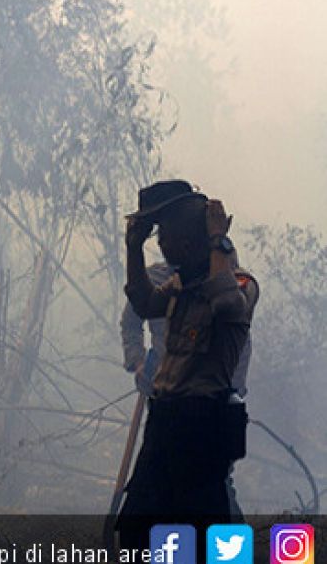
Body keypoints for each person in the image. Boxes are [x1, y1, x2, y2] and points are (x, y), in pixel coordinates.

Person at [115, 180, 259, 550]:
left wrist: (218, 241)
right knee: (138, 530)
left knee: (208, 535)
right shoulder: (179, 285)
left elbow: (225, 305)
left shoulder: (240, 285)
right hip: (165, 419)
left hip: (204, 424)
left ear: (192, 240)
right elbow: (144, 304)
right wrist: (133, 247)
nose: (161, 243)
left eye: (167, 234)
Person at [120, 257, 254, 517]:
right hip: (164, 396)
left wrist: (229, 392)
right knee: (159, 475)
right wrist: (137, 361)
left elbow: (240, 342)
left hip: (211, 403)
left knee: (216, 480)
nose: (166, 244)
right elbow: (131, 321)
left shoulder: (228, 281)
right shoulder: (158, 278)